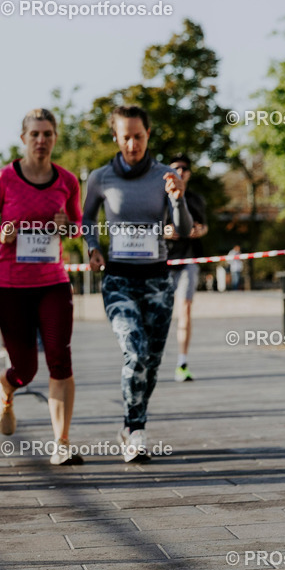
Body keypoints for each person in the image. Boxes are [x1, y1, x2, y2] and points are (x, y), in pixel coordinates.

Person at [83, 105, 192, 462]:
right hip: (118, 279)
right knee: (136, 351)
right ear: (115, 136)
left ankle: (134, 423)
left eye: (139, 136)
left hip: (158, 280)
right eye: (125, 136)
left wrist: (178, 200)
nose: (133, 144)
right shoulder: (100, 178)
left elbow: (185, 229)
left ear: (148, 135)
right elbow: (86, 219)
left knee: (154, 362)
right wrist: (93, 247)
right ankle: (134, 428)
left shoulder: (165, 176)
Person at [0, 109, 83, 466]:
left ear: (55, 138)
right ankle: (5, 388)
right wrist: (0, 233)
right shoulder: (5, 178)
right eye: (35, 134)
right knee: (25, 368)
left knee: (60, 359)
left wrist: (67, 226)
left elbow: (77, 226)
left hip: (53, 281)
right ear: (23, 138)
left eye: (48, 134)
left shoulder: (67, 180)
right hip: (10, 284)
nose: (42, 140)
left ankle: (62, 442)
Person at [164, 154, 208, 382]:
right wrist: (163, 231)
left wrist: (199, 231)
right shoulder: (159, 198)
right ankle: (152, 359)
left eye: (184, 168)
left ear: (189, 173)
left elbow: (204, 227)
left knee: (186, 311)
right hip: (163, 261)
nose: (180, 171)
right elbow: (149, 227)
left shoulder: (196, 199)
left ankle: (182, 362)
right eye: (175, 168)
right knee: (159, 313)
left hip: (188, 260)